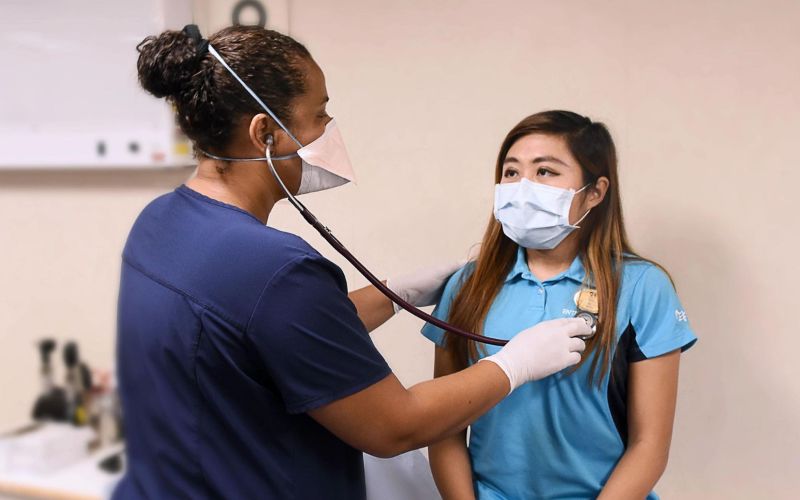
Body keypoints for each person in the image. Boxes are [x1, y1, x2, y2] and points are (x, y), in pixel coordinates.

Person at [113, 26, 590, 499]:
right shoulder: (277, 271)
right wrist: (515, 364)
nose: (328, 129)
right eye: (318, 114)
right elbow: (394, 427)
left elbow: (271, 335)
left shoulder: (160, 222)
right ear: (264, 134)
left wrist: (396, 294)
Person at [423, 110, 698, 499]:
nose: (523, 187)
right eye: (512, 172)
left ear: (596, 191)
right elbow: (444, 425)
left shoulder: (641, 286)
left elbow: (649, 446)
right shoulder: (469, 285)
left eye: (546, 172)